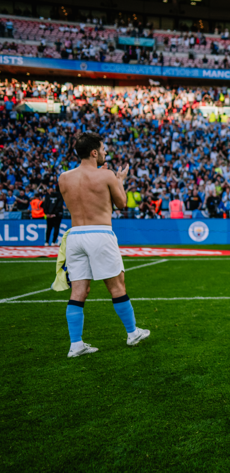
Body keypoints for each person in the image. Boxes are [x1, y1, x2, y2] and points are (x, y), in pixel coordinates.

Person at [58, 132, 150, 358]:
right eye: (103, 148)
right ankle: (132, 333)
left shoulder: (64, 177)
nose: (106, 151)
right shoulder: (106, 175)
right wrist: (119, 181)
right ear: (94, 152)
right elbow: (122, 204)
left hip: (75, 236)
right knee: (117, 287)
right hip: (100, 233)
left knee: (79, 291)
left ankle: (76, 344)